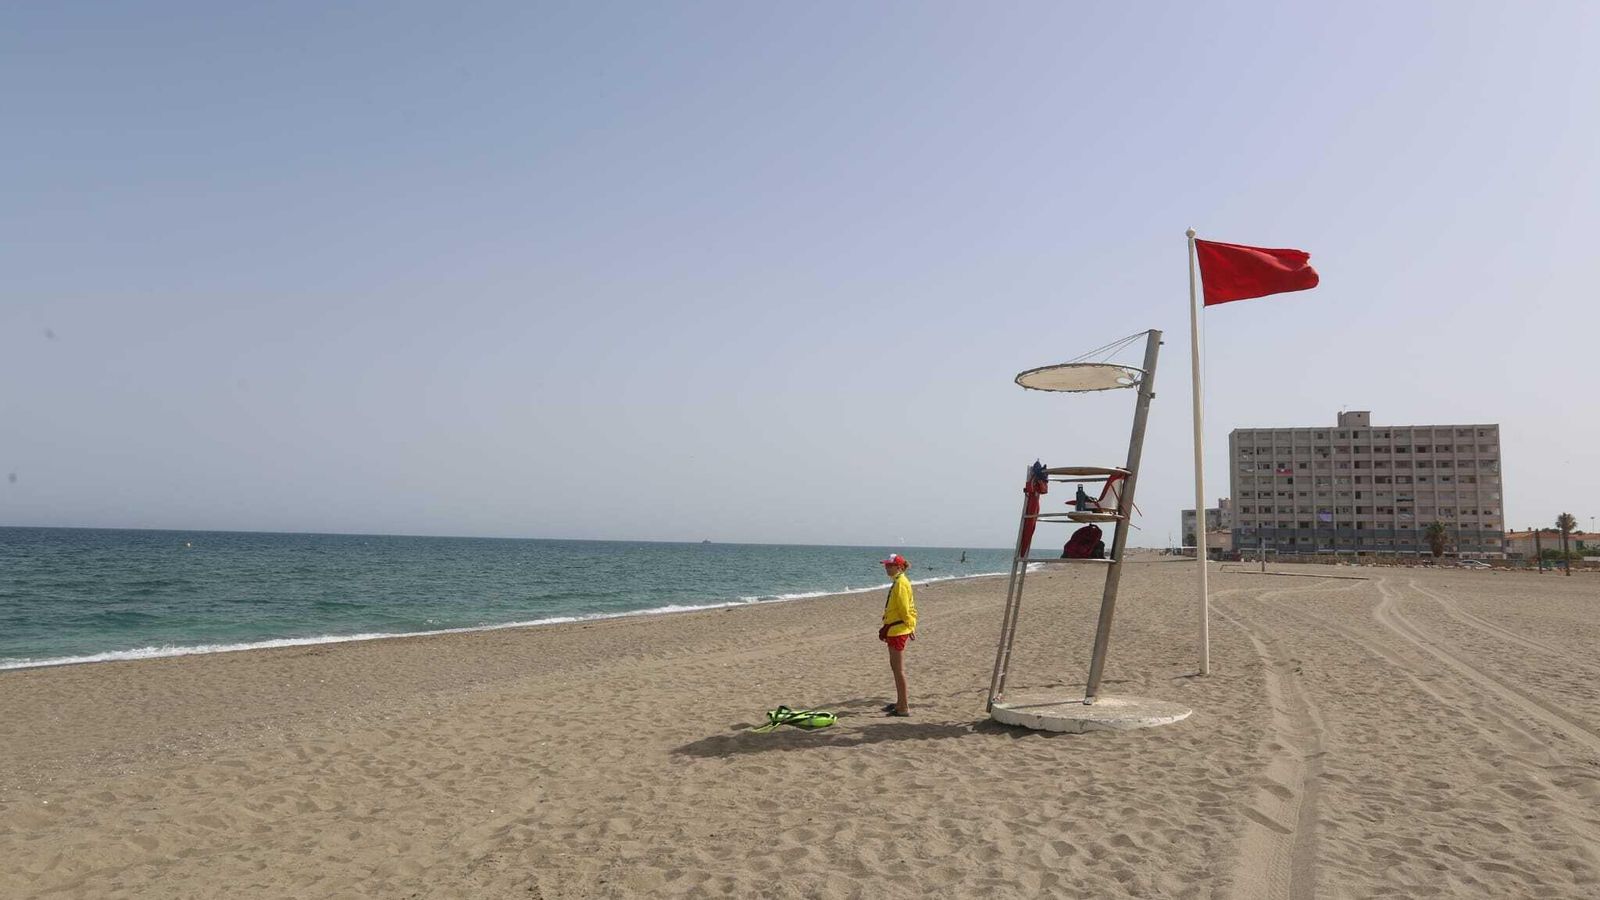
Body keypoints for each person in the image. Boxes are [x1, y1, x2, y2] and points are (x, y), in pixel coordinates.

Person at [877, 553, 917, 716]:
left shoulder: (901, 583)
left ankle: (904, 707)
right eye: (886, 565)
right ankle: (900, 702)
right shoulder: (899, 581)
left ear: (899, 567)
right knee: (895, 668)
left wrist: (910, 625)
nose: (886, 568)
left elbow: (904, 609)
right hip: (895, 628)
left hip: (898, 630)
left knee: (898, 669)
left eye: (890, 565)